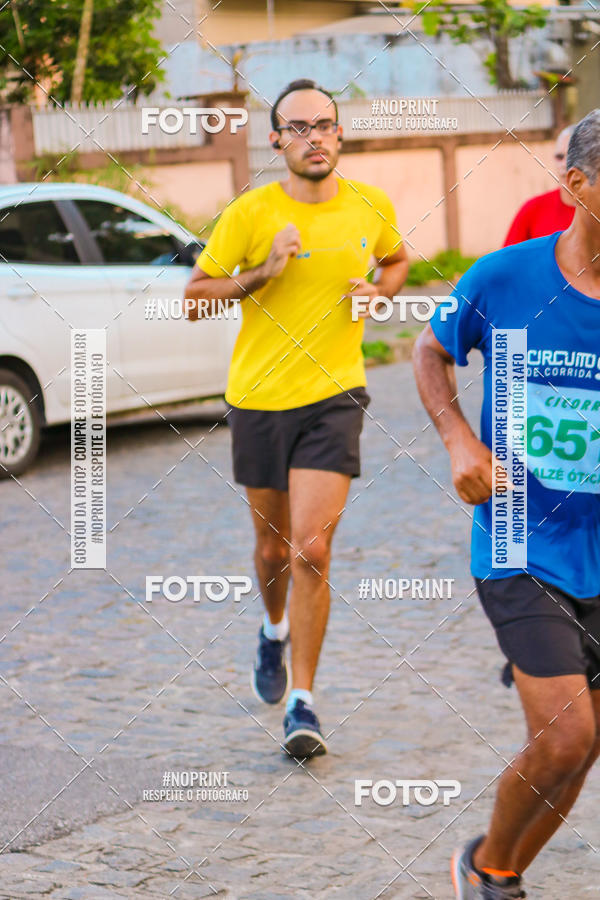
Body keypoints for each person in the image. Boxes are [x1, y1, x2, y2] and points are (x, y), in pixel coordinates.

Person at [184, 79, 408, 758]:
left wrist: (379, 290)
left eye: (326, 125)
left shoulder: (371, 205)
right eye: (299, 127)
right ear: (276, 139)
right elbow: (194, 296)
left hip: (334, 395)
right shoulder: (251, 214)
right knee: (274, 549)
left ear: (340, 134)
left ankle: (303, 703)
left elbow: (396, 260)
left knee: (312, 547)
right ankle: (274, 627)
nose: (315, 136)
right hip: (257, 399)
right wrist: (262, 273)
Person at [413, 109, 600, 899]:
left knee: (581, 751)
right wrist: (459, 437)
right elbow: (429, 348)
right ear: (577, 182)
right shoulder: (503, 277)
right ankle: (489, 865)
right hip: (519, 534)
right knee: (566, 740)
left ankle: (494, 870)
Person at [503, 125, 575, 246]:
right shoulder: (532, 209)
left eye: (572, 157)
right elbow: (505, 261)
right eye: (559, 157)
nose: (564, 164)